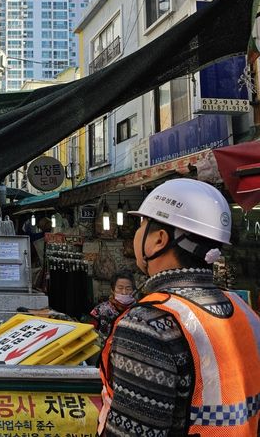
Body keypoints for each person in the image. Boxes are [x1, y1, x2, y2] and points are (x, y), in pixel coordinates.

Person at [98, 179, 260, 435]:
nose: (136, 233)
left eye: (142, 225)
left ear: (159, 240)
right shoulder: (245, 311)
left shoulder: (148, 323)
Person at [89, 270, 136, 344]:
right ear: (112, 290)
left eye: (128, 288)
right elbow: (90, 335)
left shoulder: (138, 311)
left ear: (133, 290)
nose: (124, 292)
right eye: (120, 288)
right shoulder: (99, 311)